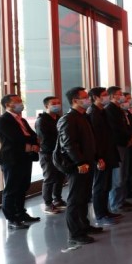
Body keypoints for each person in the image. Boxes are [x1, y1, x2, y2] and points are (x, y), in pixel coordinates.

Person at [56, 87, 103, 246]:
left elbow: (90, 141)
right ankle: (75, 233)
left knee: (84, 197)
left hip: (88, 163)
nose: (88, 99)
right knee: (75, 199)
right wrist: (79, 162)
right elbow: (68, 144)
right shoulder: (68, 119)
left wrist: (96, 157)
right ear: (75, 100)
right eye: (84, 97)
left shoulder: (84, 117)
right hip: (78, 166)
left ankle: (84, 225)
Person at [0, 94, 41, 229]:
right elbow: (16, 138)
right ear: (8, 105)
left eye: (21, 101)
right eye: (17, 101)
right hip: (11, 159)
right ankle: (11, 218)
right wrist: (31, 143)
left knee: (23, 187)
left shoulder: (22, 120)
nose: (21, 103)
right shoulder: (2, 120)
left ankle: (21, 213)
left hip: (25, 157)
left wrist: (33, 143)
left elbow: (33, 135)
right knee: (11, 189)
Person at [87, 87, 120, 226]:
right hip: (101, 155)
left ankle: (106, 211)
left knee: (106, 185)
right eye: (104, 95)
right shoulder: (92, 113)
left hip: (108, 152)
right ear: (96, 97)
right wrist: (98, 157)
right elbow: (95, 138)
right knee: (100, 186)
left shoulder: (102, 111)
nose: (107, 97)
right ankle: (100, 214)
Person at [104, 86, 132, 214]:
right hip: (118, 145)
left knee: (124, 174)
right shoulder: (109, 109)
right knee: (118, 176)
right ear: (112, 96)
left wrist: (130, 136)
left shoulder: (119, 109)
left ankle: (122, 200)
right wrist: (127, 138)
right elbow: (115, 129)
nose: (122, 96)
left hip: (125, 143)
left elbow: (126, 125)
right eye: (119, 94)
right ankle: (116, 203)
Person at [35, 96, 66, 214]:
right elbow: (45, 139)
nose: (57, 105)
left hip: (59, 153)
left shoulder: (59, 118)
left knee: (60, 177)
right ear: (46, 106)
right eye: (54, 103)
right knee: (49, 177)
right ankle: (48, 204)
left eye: (58, 102)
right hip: (47, 153)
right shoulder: (42, 120)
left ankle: (57, 199)